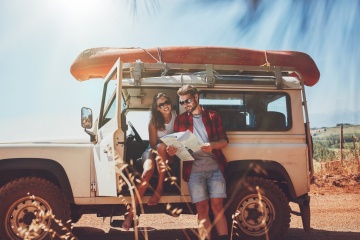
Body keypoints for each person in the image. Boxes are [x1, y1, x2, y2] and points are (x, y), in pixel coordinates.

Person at [167, 85, 229, 240]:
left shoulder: (213, 116)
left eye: (187, 101)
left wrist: (212, 145)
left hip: (215, 168)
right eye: (182, 103)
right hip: (194, 170)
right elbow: (177, 149)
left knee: (217, 207)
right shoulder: (180, 120)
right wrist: (172, 151)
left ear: (196, 97)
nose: (185, 105)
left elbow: (224, 141)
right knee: (201, 209)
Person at [122, 93, 176, 230]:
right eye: (161, 105)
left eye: (167, 102)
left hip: (171, 152)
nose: (165, 106)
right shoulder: (153, 122)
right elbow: (153, 145)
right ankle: (130, 214)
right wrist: (164, 144)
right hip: (153, 150)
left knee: (163, 147)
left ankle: (159, 188)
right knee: (147, 172)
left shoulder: (176, 116)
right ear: (157, 108)